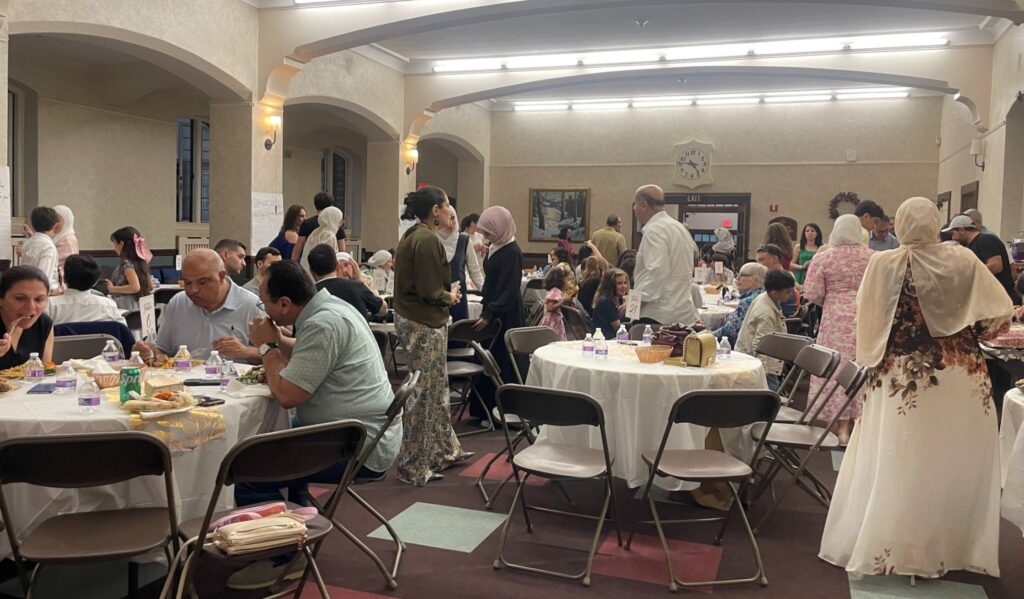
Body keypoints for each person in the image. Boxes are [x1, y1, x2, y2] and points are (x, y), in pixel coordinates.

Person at [820, 197, 1013, 580]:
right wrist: (966, 331)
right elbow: (998, 314)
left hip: (898, 375)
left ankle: (894, 541)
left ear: (902, 224)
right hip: (960, 373)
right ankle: (949, 544)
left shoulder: (884, 263)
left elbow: (867, 316)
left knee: (899, 452)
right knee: (952, 454)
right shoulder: (962, 259)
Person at [230, 261, 401, 589]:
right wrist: (278, 340)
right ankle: (297, 533)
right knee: (280, 441)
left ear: (284, 304)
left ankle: (282, 558)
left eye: (264, 302)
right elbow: (311, 352)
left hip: (357, 447)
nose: (262, 309)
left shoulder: (323, 323)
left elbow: (287, 395)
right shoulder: (331, 307)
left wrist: (266, 346)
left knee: (251, 469)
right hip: (362, 433)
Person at [393, 186, 465, 487]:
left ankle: (440, 451)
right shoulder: (425, 239)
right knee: (423, 394)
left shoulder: (414, 235)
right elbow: (429, 290)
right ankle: (413, 465)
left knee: (434, 389)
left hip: (417, 318)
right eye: (447, 206)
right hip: (423, 322)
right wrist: (450, 296)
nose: (451, 213)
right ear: (435, 210)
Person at [803, 214, 874, 442]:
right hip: (864, 316)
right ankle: (857, 421)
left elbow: (812, 292)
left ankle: (835, 424)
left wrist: (831, 299)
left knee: (833, 367)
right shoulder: (873, 257)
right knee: (860, 365)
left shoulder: (824, 257)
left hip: (834, 318)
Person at [133, 249, 264, 363]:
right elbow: (163, 350)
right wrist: (149, 352)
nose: (193, 290)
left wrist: (247, 351)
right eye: (187, 283)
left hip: (233, 382)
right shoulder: (178, 302)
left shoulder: (251, 305)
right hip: (181, 381)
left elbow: (272, 355)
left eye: (202, 282)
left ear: (221, 277)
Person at [475, 205, 525, 409]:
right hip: (494, 308)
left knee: (503, 360)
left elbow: (509, 290)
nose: (486, 237)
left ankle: (504, 410)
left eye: (488, 233)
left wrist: (490, 312)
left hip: (506, 313)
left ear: (500, 228)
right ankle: (485, 409)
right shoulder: (497, 246)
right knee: (490, 358)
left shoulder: (512, 252)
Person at [632, 184, 698, 325]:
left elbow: (656, 271)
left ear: (643, 205)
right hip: (682, 311)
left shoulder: (654, 231)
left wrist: (634, 304)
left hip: (657, 314)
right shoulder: (679, 227)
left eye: (635, 204)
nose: (634, 209)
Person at [735, 269, 795, 391]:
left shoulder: (765, 297)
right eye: (788, 292)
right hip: (761, 363)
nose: (791, 294)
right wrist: (761, 372)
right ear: (774, 293)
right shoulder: (766, 313)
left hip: (755, 356)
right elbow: (760, 345)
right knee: (770, 393)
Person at [945, 214, 1016, 301]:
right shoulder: (972, 245)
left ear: (961, 230)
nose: (953, 238)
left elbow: (996, 265)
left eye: (953, 233)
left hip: (1000, 297)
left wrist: (968, 275)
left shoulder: (985, 240)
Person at [306, 245, 386, 319]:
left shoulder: (309, 294)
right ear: (336, 266)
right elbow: (383, 309)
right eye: (340, 267)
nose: (344, 270)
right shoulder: (358, 287)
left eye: (346, 265)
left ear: (311, 271)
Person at [47, 255, 127, 325]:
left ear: (64, 278)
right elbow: (122, 331)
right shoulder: (108, 305)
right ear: (95, 283)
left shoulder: (49, 306)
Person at [0, 266, 54, 369]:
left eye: (39, 299)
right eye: (20, 298)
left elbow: (46, 372)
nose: (31, 307)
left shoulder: (44, 324)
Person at [438, 206, 484, 321]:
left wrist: (486, 292)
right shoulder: (432, 240)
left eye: (453, 218)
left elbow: (475, 272)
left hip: (459, 299)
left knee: (459, 329)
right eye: (448, 218)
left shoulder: (464, 241)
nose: (451, 222)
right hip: (437, 299)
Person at [713, 262, 767, 347]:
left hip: (743, 348)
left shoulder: (748, 301)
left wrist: (707, 335)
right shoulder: (764, 296)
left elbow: (731, 332)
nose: (737, 279)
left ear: (755, 280)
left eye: (742, 275)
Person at [106, 226, 153, 311]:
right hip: (141, 305)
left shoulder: (126, 263)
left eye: (115, 244)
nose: (114, 248)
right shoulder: (141, 262)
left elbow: (135, 287)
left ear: (121, 244)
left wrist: (112, 288)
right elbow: (150, 286)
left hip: (126, 306)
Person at [292, 192, 346, 262]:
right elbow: (342, 250)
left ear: (315, 206)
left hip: (309, 261)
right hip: (329, 264)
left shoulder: (307, 224)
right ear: (331, 206)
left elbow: (298, 249)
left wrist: (293, 263)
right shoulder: (335, 225)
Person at [19, 207, 61, 292]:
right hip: (43, 292)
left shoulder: (28, 243)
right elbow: (44, 277)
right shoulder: (49, 247)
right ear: (54, 225)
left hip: (26, 287)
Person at [755, 244, 801, 317]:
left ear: (775, 259)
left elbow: (787, 315)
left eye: (761, 260)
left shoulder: (782, 282)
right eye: (757, 261)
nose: (758, 264)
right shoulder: (786, 278)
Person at [299, 206, 343, 273]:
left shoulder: (317, 231)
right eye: (339, 220)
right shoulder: (329, 235)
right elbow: (330, 259)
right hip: (320, 273)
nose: (340, 223)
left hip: (308, 270)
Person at [592, 267, 630, 339]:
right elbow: (619, 329)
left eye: (625, 283)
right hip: (606, 340)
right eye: (619, 283)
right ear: (610, 285)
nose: (624, 286)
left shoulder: (619, 299)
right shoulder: (605, 302)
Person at [52, 205, 79, 290]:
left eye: (57, 220)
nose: (54, 223)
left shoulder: (67, 240)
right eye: (52, 219)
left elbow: (64, 267)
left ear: (67, 221)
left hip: (61, 286)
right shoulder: (60, 237)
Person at [539, 267, 569, 341]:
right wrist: (562, 301)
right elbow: (550, 307)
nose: (569, 283)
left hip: (556, 322)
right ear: (561, 281)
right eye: (568, 280)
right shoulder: (554, 291)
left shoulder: (559, 292)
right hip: (551, 324)